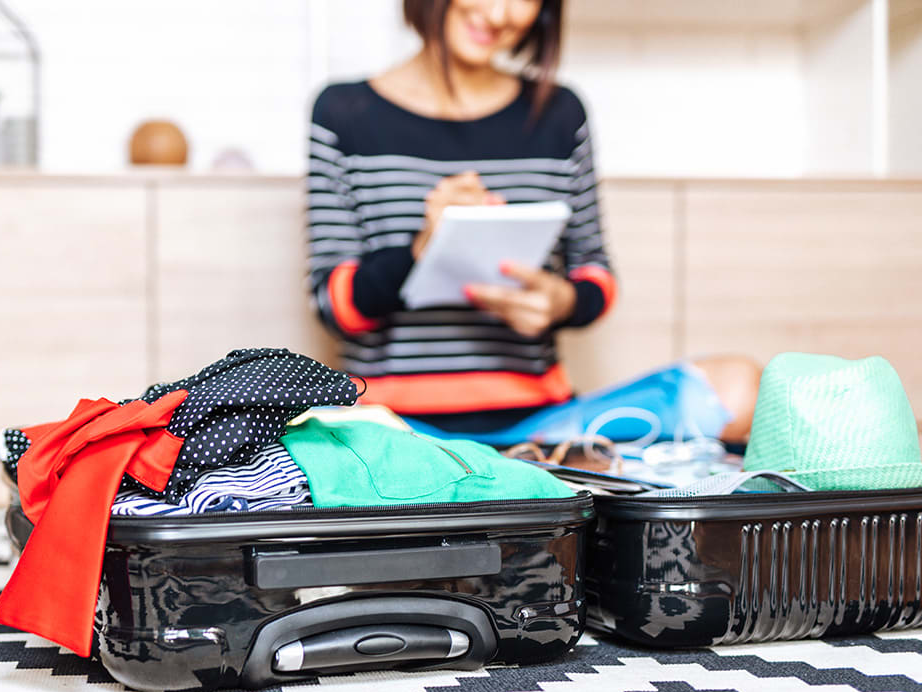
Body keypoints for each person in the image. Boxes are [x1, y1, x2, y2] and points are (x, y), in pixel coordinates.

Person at [306, 0, 761, 448]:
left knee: (739, 386)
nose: (501, 14)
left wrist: (562, 300)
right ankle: (518, 478)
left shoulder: (560, 114)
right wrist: (422, 248)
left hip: (545, 424)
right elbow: (333, 304)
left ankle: (516, 473)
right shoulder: (342, 112)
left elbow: (595, 273)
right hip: (396, 428)